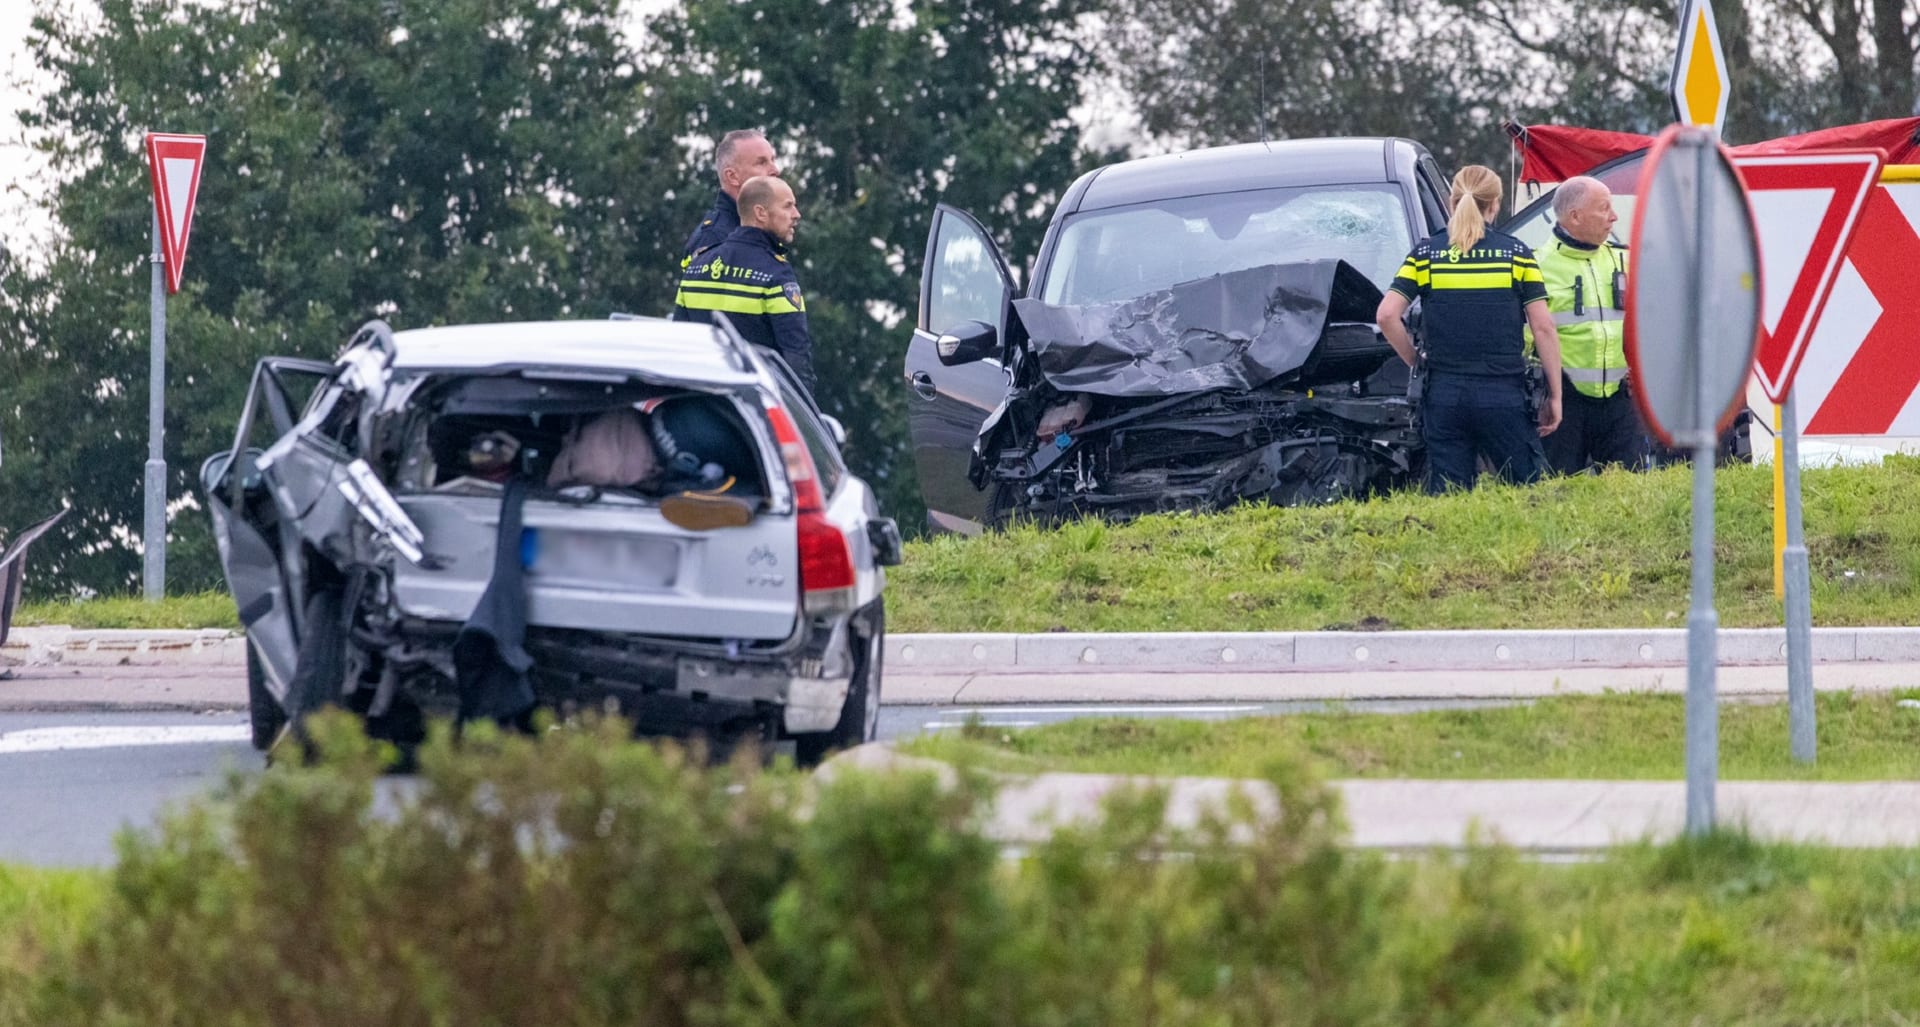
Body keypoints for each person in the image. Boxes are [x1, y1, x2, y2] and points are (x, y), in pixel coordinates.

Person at [1376, 165, 1563, 493]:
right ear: (1496, 204)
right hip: (1504, 396)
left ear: (1452, 202)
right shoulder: (1516, 255)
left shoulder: (1426, 255)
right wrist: (1555, 395)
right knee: (1527, 494)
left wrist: (1417, 363)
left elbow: (1387, 316)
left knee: (1450, 497)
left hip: (1444, 394)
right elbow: (1543, 327)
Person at [1533, 175, 1644, 474]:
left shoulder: (1623, 259)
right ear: (1575, 216)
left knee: (1630, 495)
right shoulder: (1538, 266)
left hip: (1620, 397)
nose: (1614, 216)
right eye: (1604, 208)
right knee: (1558, 494)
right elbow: (1525, 342)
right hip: (1564, 400)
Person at [673, 175, 816, 393]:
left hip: (699, 401)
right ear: (760, 213)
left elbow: (678, 344)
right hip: (753, 409)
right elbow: (796, 357)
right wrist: (804, 415)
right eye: (788, 206)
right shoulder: (775, 273)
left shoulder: (695, 267)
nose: (797, 215)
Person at [681, 129, 781, 267]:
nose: (775, 170)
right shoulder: (714, 237)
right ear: (732, 177)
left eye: (772, 160)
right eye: (761, 162)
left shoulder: (762, 230)